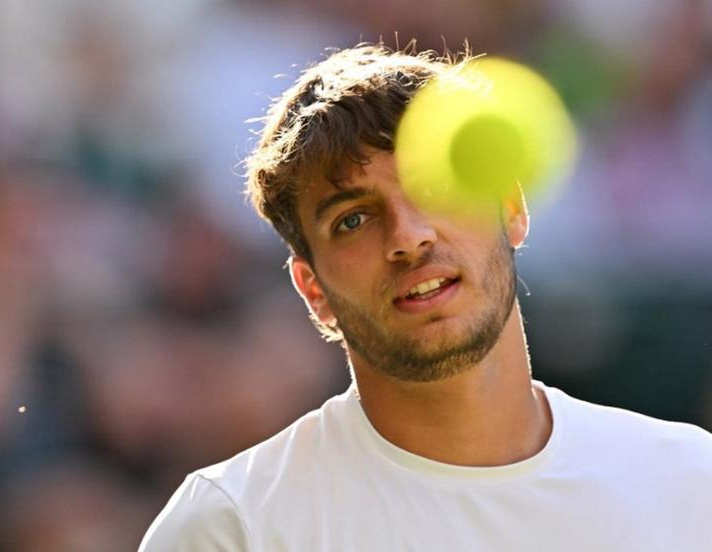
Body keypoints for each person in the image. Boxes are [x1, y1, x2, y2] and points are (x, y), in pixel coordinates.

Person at [139, 44, 712, 551]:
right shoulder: (231, 528)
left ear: (510, 210)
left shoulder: (690, 481)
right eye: (354, 219)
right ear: (314, 291)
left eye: (435, 187)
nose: (409, 237)